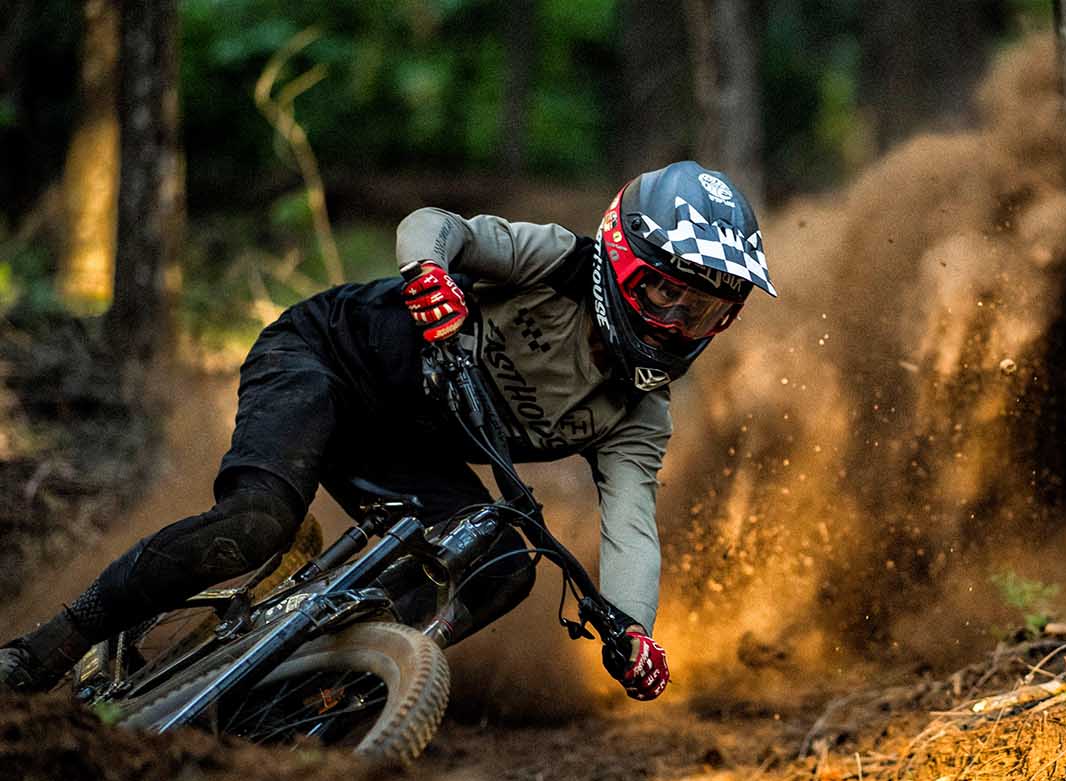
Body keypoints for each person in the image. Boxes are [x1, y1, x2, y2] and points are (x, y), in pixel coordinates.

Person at [0, 160, 776, 701]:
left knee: (505, 564)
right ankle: (54, 645)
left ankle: (331, 683)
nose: (676, 321)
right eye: (663, 292)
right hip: (324, 360)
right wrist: (430, 274)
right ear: (618, 255)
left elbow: (633, 529)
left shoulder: (641, 413)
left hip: (403, 445)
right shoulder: (555, 262)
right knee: (255, 525)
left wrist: (633, 631)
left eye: (703, 310)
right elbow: (432, 225)